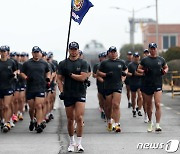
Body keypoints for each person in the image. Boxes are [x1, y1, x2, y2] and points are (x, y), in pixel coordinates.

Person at [57, 41, 88, 152]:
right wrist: (61, 91)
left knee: (79, 117)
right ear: (69, 50)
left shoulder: (83, 63)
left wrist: (70, 74)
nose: (73, 51)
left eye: (75, 49)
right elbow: (59, 79)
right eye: (72, 49)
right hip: (68, 93)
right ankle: (71, 142)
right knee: (70, 119)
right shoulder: (63, 64)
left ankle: (79, 143)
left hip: (80, 92)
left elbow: (82, 78)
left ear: (78, 50)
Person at [137, 43, 168, 132]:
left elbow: (166, 67)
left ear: (156, 49)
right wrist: (144, 70)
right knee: (149, 105)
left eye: (154, 48)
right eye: (151, 48)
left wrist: (164, 71)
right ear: (149, 49)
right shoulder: (145, 60)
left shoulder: (161, 59)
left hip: (157, 84)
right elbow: (138, 69)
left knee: (157, 104)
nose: (153, 50)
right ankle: (150, 122)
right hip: (147, 84)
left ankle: (158, 125)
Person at [20, 46, 50, 133]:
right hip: (30, 88)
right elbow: (21, 72)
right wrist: (26, 77)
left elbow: (48, 71)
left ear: (40, 53)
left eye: (38, 52)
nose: (36, 54)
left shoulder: (44, 63)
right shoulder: (27, 63)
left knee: (39, 106)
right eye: (34, 52)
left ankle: (39, 123)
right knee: (32, 108)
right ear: (32, 53)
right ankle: (32, 119)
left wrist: (48, 78)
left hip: (40, 87)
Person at [98, 46, 127, 132]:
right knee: (108, 107)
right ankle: (109, 121)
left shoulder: (121, 62)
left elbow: (126, 69)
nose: (113, 53)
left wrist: (123, 77)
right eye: (111, 52)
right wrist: (106, 75)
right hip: (107, 86)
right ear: (108, 53)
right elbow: (98, 73)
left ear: (116, 53)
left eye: (114, 52)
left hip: (117, 85)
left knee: (116, 105)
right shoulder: (104, 63)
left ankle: (117, 124)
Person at [0, 45, 17, 133]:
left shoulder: (12, 62)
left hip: (9, 86)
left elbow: (16, 70)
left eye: (5, 51)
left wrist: (14, 74)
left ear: (8, 52)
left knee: (6, 105)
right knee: (1, 106)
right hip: (0, 86)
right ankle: (3, 120)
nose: (3, 53)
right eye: (2, 51)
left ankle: (7, 122)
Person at [127, 52, 143, 117]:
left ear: (139, 57)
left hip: (140, 82)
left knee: (140, 97)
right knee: (133, 97)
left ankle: (139, 109)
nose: (136, 58)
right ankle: (133, 109)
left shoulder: (142, 64)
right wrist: (133, 74)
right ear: (133, 57)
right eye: (135, 57)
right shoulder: (130, 65)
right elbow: (127, 73)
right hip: (133, 82)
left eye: (137, 56)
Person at [93, 52, 107, 119]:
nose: (103, 58)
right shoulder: (97, 65)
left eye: (104, 57)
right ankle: (102, 109)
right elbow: (94, 75)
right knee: (102, 99)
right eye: (102, 57)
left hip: (108, 84)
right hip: (100, 84)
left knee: (107, 99)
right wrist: (99, 76)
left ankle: (107, 112)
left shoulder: (108, 64)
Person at [141, 49, 150, 123]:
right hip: (143, 83)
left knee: (151, 101)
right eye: (145, 53)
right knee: (145, 100)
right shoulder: (142, 62)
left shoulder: (153, 61)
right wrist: (144, 71)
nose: (146, 54)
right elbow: (138, 71)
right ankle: (146, 114)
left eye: (147, 53)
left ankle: (150, 115)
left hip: (153, 83)